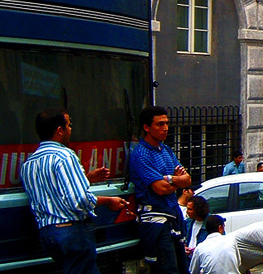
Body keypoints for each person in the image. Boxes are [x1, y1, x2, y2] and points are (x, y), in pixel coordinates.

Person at [20, 107, 130, 274]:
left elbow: (53, 191)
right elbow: (79, 200)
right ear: (59, 130)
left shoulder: (29, 163)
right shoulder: (65, 156)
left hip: (47, 234)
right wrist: (109, 200)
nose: (71, 130)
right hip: (72, 231)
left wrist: (86, 178)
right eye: (69, 125)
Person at [129, 105, 193, 274]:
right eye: (159, 124)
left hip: (174, 216)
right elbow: (160, 189)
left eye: (166, 123)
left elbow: (187, 180)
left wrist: (170, 178)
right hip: (156, 220)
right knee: (167, 268)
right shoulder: (141, 154)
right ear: (146, 127)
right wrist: (174, 181)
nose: (165, 128)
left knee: (182, 267)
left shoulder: (166, 150)